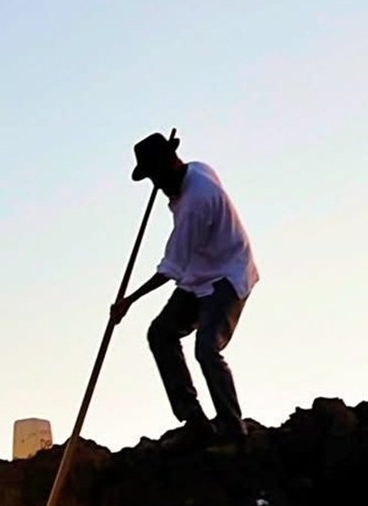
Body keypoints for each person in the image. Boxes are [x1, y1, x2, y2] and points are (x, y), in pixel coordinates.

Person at [110, 132, 261, 444]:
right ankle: (194, 420)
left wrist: (128, 301)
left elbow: (171, 268)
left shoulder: (195, 203)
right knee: (161, 333)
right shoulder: (198, 169)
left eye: (155, 176)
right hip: (200, 274)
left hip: (228, 278)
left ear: (169, 166)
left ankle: (234, 431)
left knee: (207, 350)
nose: (155, 185)